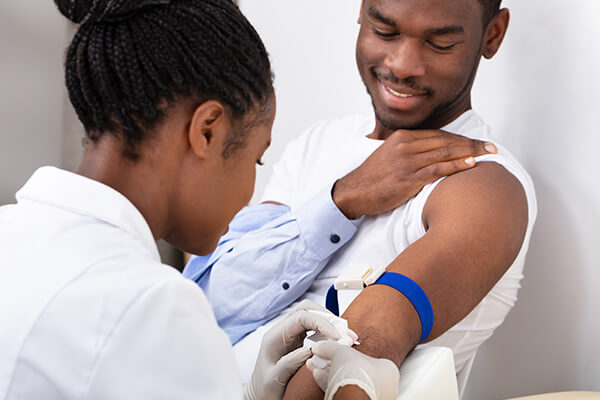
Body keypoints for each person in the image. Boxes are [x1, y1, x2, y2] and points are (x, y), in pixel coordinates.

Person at [0, 1, 402, 399]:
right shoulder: (153, 307)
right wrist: (359, 384)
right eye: (256, 158)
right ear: (207, 131)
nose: (251, 190)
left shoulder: (12, 235)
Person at [183, 0, 538, 398]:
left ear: (491, 35)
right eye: (385, 31)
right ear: (362, 11)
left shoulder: (482, 183)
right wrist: (343, 198)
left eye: (438, 43)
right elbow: (204, 304)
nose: (403, 64)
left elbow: (356, 354)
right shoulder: (316, 145)